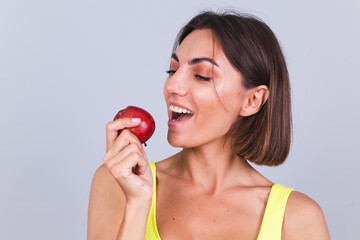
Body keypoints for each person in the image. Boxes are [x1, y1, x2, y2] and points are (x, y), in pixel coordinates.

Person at [87, 11, 330, 240]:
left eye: (202, 75)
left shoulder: (299, 219)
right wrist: (138, 204)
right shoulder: (117, 183)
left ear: (252, 100)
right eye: (172, 70)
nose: (172, 86)